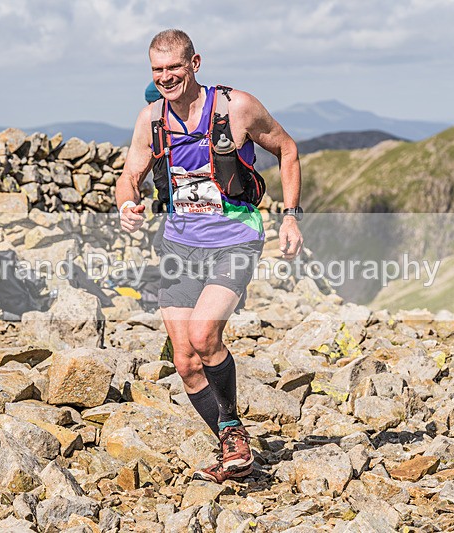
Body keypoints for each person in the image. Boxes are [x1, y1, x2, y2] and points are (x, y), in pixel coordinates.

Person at [116, 29, 303, 483]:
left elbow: (288, 149)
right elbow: (130, 174)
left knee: (203, 335)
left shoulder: (236, 108)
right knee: (184, 361)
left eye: (174, 68)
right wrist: (127, 203)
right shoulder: (150, 120)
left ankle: (232, 429)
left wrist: (291, 216)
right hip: (180, 244)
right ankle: (232, 440)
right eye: (157, 70)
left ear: (194, 63)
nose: (165, 77)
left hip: (235, 236)